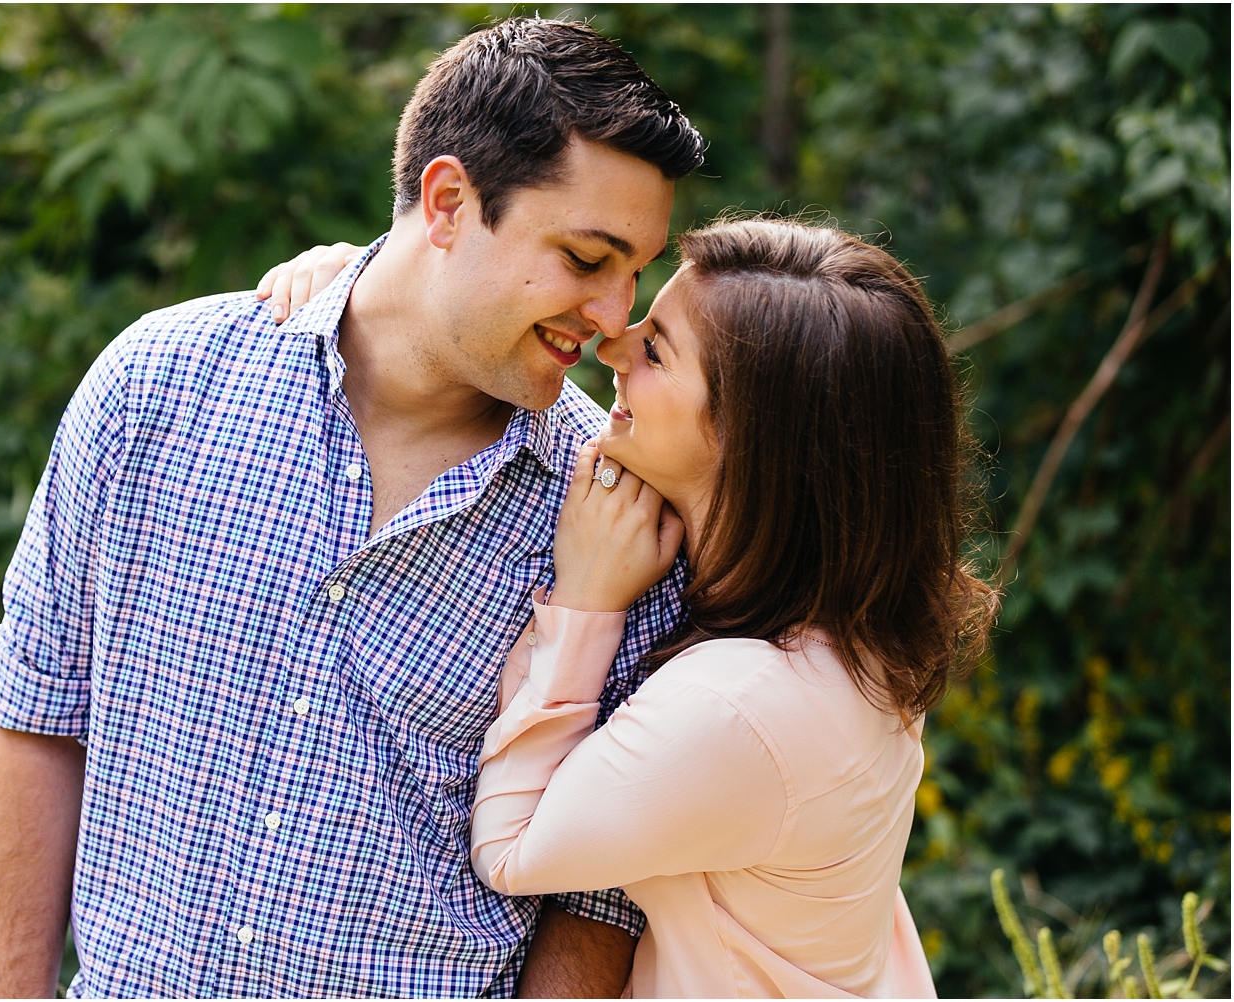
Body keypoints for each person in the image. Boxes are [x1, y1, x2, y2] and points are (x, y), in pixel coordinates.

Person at [0, 17, 704, 1000]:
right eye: (585, 258)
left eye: (635, 272)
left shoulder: (613, 510)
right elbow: (36, 714)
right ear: (448, 202)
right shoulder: (158, 387)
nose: (617, 317)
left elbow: (600, 894)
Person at [265, 217, 998, 997]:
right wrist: (373, 292)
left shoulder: (742, 704)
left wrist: (586, 600)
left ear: (748, 435)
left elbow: (512, 849)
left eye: (656, 351)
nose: (614, 343)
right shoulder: (848, 629)